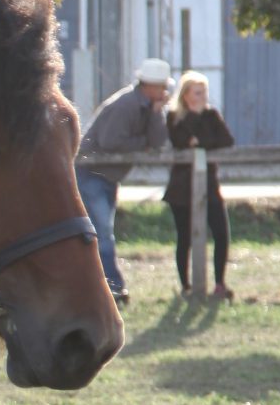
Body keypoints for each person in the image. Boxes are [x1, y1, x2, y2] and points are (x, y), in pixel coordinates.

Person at [75, 58, 172, 307]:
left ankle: (104, 288)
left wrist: (156, 114)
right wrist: (143, 145)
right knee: (103, 235)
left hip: (105, 176)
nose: (164, 92)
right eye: (161, 87)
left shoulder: (147, 107)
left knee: (101, 233)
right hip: (92, 174)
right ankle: (113, 288)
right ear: (149, 86)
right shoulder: (126, 105)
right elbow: (110, 142)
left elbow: (158, 141)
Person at [164, 71, 235, 299]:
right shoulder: (175, 117)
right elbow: (180, 142)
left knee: (221, 233)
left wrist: (200, 142)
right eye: (197, 92)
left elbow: (226, 140)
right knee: (185, 237)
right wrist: (197, 136)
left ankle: (219, 283)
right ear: (186, 95)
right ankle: (186, 286)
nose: (203, 95)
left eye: (204, 91)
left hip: (210, 183)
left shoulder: (212, 115)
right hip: (181, 187)